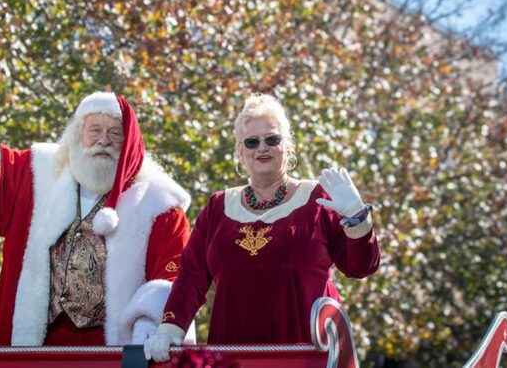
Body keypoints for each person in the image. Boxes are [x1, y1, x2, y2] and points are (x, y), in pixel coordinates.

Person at [0, 77, 195, 347]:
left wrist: (151, 322)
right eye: (95, 130)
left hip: (108, 356)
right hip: (37, 351)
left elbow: (175, 277)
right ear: (78, 136)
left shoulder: (157, 205)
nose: (103, 140)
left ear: (129, 143)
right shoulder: (37, 174)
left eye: (115, 133)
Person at [144, 94, 381, 362]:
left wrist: (357, 217)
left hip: (307, 356)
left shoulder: (319, 200)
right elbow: (191, 278)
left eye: (272, 139)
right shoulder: (218, 207)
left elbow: (362, 267)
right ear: (240, 152)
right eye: (252, 142)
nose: (262, 148)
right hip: (233, 357)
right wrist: (170, 328)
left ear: (288, 146)